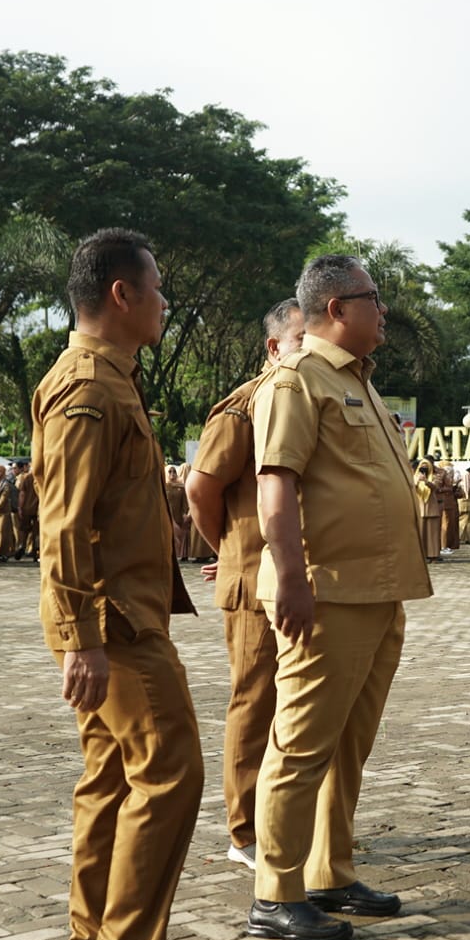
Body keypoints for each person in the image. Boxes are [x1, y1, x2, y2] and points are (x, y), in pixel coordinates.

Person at [31, 228, 211, 940]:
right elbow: (65, 526)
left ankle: (91, 939)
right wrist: (83, 640)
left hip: (120, 617)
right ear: (121, 295)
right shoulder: (89, 390)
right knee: (171, 771)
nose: (165, 301)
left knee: (111, 776)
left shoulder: (110, 378)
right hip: (116, 624)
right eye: (158, 286)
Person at [244, 254, 432, 940]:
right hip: (326, 595)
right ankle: (275, 892)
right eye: (374, 299)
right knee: (298, 746)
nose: (384, 311)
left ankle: (329, 871)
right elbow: (277, 484)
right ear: (337, 308)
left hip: (376, 593)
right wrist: (292, 577)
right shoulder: (297, 379)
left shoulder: (359, 382)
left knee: (348, 745)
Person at [185, 297, 306, 871]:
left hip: (302, 578)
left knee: (300, 705)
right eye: (300, 340)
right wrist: (230, 551)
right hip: (255, 580)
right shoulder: (244, 409)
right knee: (256, 704)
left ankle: (286, 823)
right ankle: (244, 832)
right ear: (274, 346)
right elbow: (200, 489)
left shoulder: (311, 400)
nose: (310, 352)